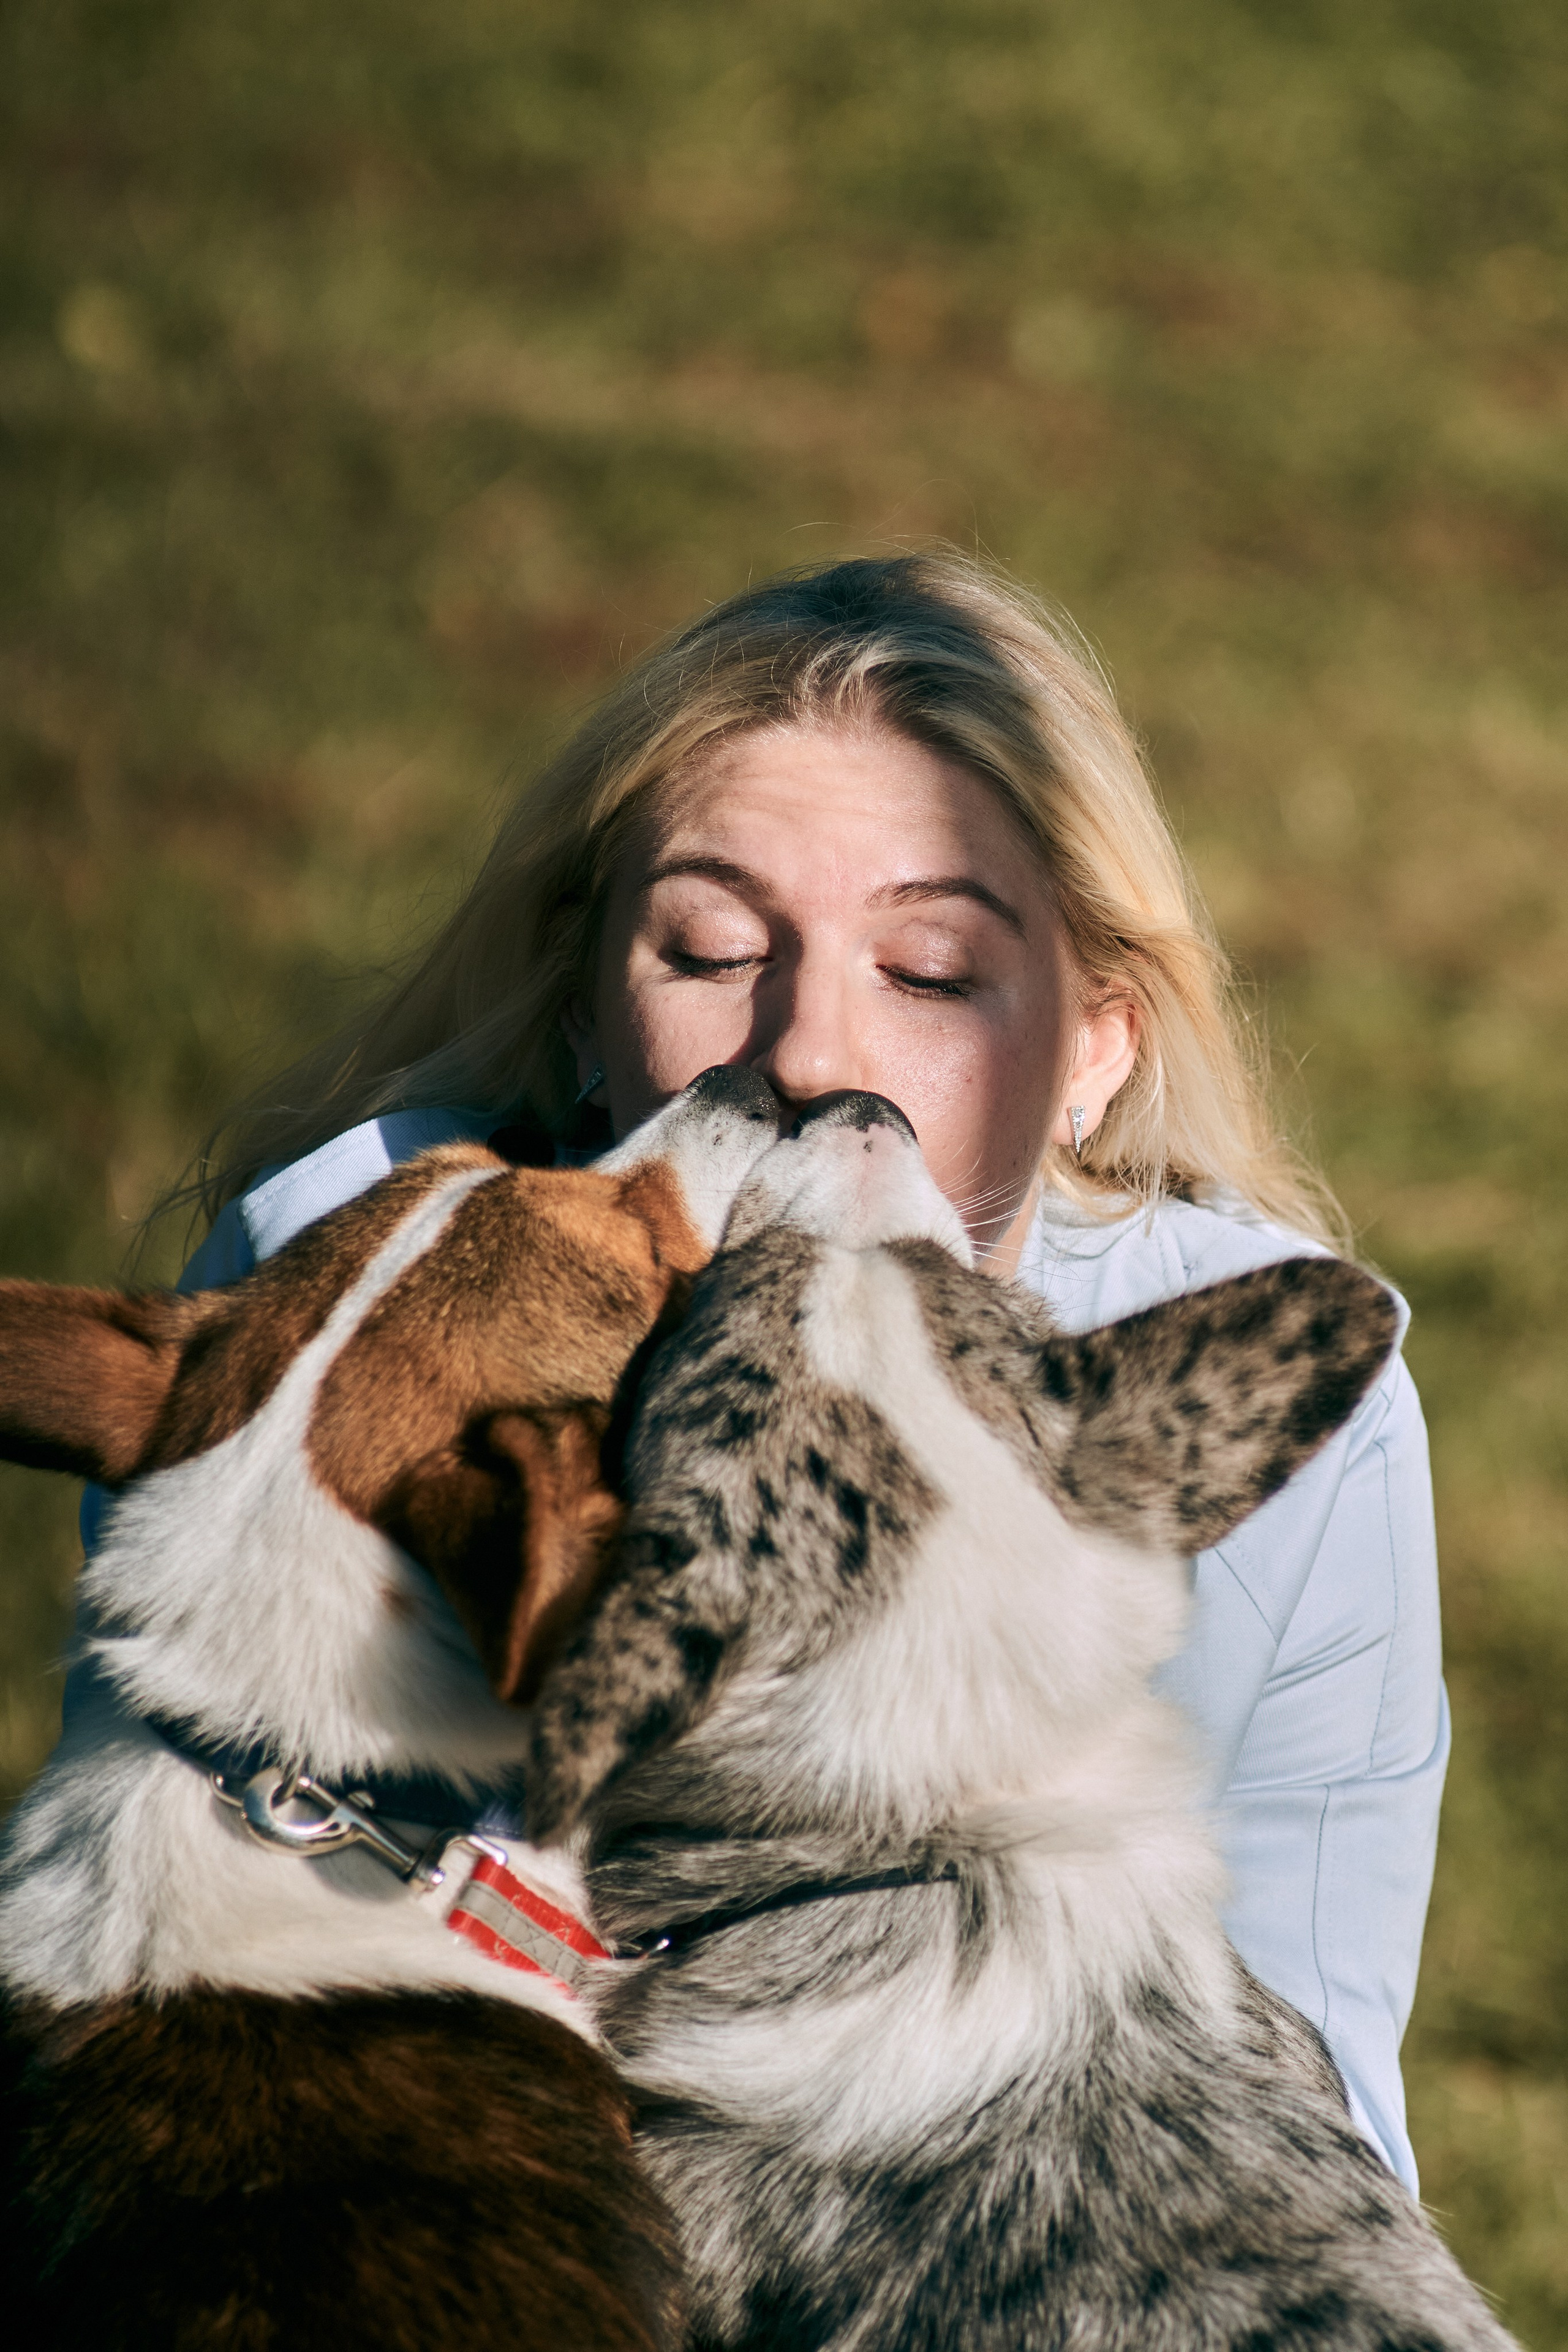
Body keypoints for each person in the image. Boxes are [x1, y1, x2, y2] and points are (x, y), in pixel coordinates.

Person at [94, 551, 1449, 2190]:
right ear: (588, 1013)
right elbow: (210, 1998)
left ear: (1098, 1050)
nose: (806, 1053)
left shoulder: (1270, 1400)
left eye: (933, 973)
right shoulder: (352, 1303)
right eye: (714, 948)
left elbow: (1312, 2096)